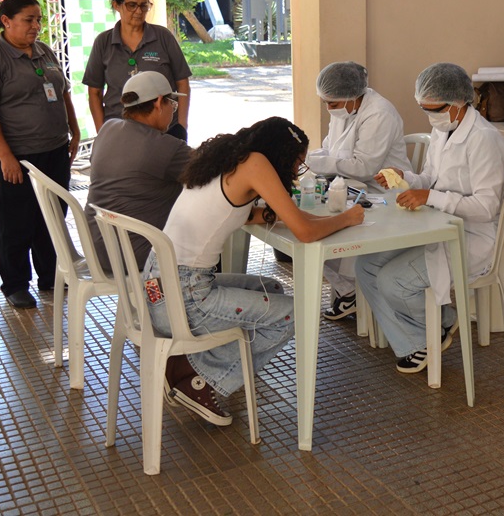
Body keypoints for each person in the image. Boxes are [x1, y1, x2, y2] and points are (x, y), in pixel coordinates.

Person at [149, 117, 365, 426]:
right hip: (184, 298)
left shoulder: (230, 159)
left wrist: (297, 217)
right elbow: (303, 232)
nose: (295, 172)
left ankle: (189, 363)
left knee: (271, 290)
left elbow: (267, 216)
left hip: (159, 285)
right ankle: (198, 380)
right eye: (296, 164)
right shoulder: (256, 164)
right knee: (294, 313)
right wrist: (347, 218)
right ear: (280, 154)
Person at [355, 63, 504, 373]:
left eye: (434, 109)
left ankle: (428, 333)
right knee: (366, 264)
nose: (430, 116)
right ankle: (428, 331)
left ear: (458, 103)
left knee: (391, 281)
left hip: (471, 237)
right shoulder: (444, 129)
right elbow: (431, 177)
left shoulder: (484, 139)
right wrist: (406, 178)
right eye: (424, 108)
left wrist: (431, 197)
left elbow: (486, 206)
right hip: (434, 227)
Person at [0, 0, 80, 309]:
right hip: (17, 158)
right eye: (28, 20)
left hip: (54, 151)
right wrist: (6, 157)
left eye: (38, 20)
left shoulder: (44, 51)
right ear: (6, 21)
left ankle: (51, 277)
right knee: (17, 221)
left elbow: (63, 93)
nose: (36, 26)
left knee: (53, 216)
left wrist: (73, 130)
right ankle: (16, 284)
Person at [304, 61, 412, 321]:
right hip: (352, 188)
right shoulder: (344, 108)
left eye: (332, 103)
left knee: (329, 233)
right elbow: (331, 149)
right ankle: (348, 290)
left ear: (354, 96)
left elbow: (365, 167)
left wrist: (313, 161)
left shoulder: (379, 114)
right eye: (325, 102)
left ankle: (350, 291)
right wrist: (306, 157)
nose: (329, 109)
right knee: (313, 231)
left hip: (384, 194)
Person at [86, 71, 192, 273]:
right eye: (173, 105)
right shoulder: (165, 147)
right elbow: (212, 171)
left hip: (98, 249)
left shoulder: (107, 128)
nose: (173, 112)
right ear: (159, 102)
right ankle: (198, 300)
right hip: (134, 256)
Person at [83, 0, 192, 141]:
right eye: (132, 5)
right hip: (120, 133)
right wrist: (103, 133)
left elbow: (183, 83)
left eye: (144, 5)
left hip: (163, 132)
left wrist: (182, 126)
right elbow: (94, 92)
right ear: (116, 5)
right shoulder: (103, 42)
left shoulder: (163, 37)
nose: (139, 11)